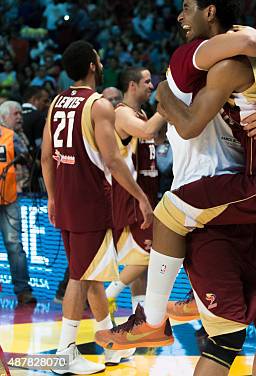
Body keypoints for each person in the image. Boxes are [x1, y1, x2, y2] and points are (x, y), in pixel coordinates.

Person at [96, 0, 256, 376]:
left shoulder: (209, 59)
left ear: (209, 13)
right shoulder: (208, 60)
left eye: (186, 8)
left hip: (246, 188)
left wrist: (163, 95)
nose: (180, 17)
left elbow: (190, 123)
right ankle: (175, 305)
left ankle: (154, 316)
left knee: (168, 215)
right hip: (243, 195)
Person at [41, 40, 153, 373]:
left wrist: (51, 196)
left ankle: (109, 342)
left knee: (89, 274)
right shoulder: (99, 104)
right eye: (99, 59)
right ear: (92, 65)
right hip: (90, 201)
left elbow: (46, 156)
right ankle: (65, 352)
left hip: (64, 198)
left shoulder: (56, 102)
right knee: (80, 275)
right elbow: (114, 162)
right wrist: (140, 196)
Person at [105, 67, 165, 316]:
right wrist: (167, 102)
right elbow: (148, 131)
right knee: (154, 254)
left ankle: (139, 317)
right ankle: (110, 294)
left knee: (138, 262)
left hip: (148, 192)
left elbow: (157, 138)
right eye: (147, 82)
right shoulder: (121, 114)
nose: (151, 86)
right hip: (132, 195)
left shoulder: (141, 113)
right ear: (132, 85)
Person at [0, 101, 35, 306]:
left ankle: (23, 291)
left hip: (9, 199)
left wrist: (24, 158)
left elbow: (28, 159)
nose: (20, 116)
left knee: (14, 246)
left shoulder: (10, 136)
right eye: (16, 113)